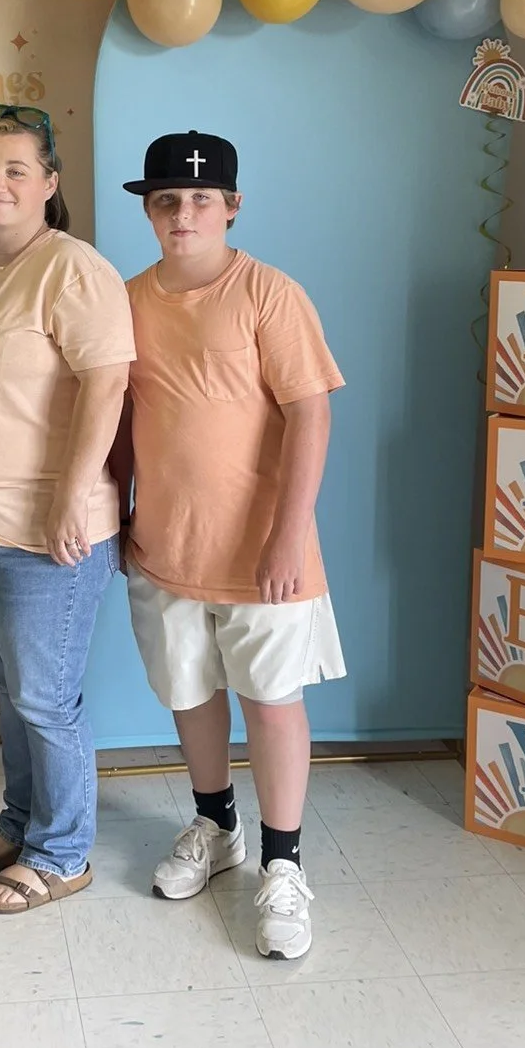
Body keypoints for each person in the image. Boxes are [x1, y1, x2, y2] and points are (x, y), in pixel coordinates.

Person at [114, 129, 346, 961]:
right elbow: (123, 419)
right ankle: (217, 826)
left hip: (262, 554)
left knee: (272, 700)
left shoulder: (269, 294)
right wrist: (116, 516)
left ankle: (283, 865)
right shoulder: (131, 298)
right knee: (190, 691)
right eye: (167, 199)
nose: (183, 213)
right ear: (148, 208)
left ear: (232, 206)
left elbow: (311, 413)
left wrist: (289, 536)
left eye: (201, 199)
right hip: (165, 544)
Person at [0, 104, 135, 913]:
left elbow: (108, 383)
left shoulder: (72, 269)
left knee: (45, 698)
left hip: (46, 532)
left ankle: (64, 852)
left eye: (16, 169)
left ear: (49, 182)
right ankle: (19, 821)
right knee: (12, 690)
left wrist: (73, 498)